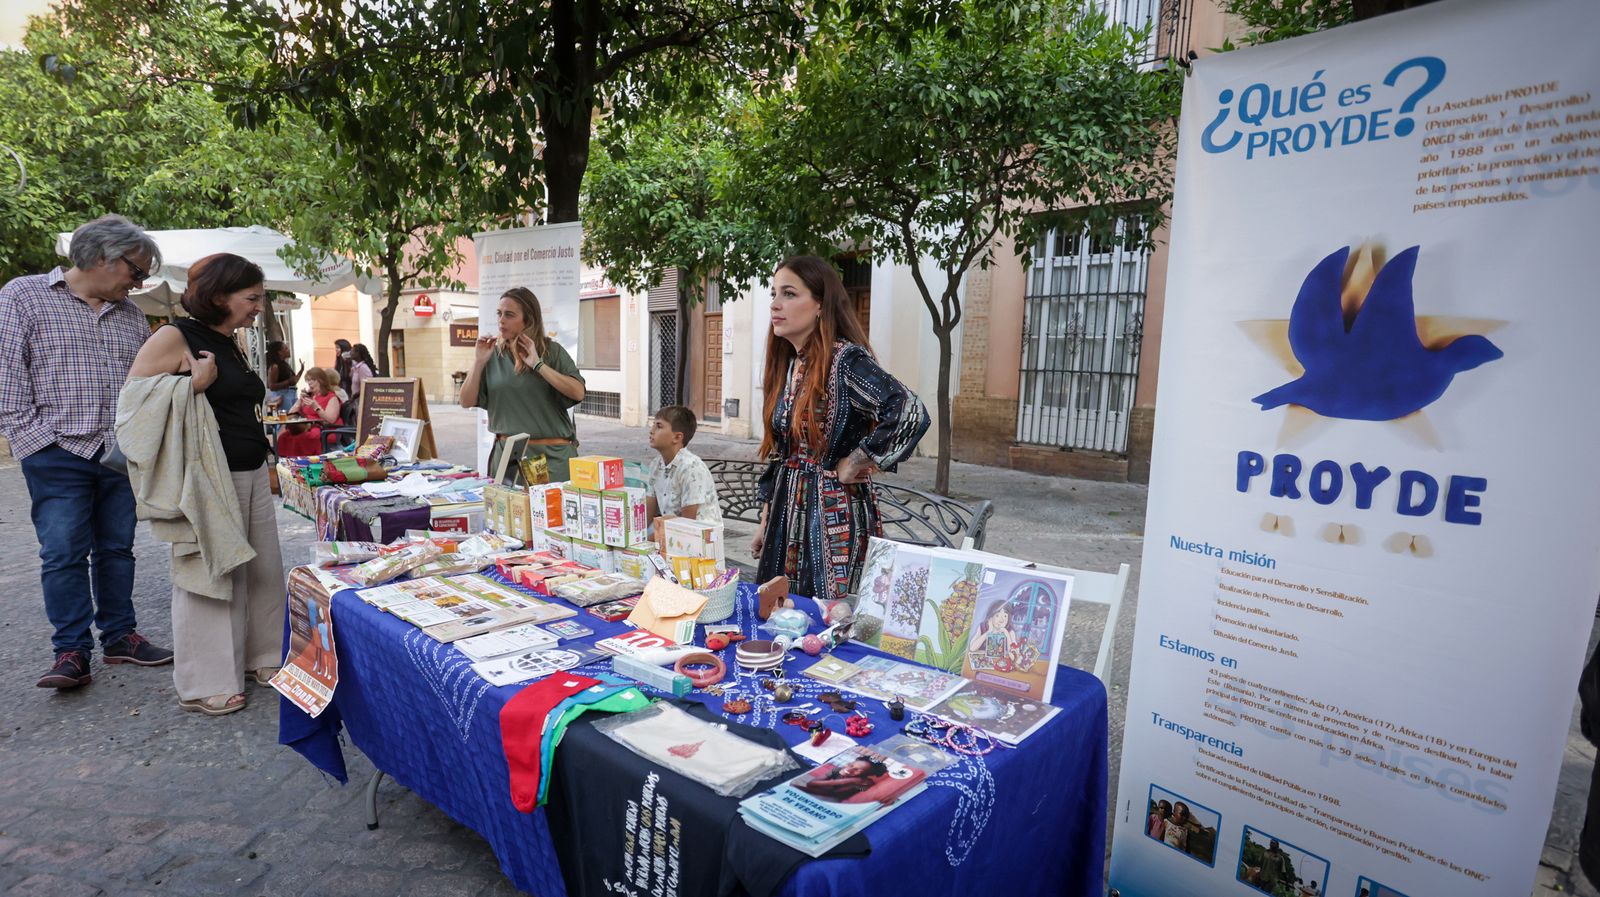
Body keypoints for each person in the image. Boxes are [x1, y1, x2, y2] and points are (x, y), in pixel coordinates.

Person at [0, 214, 174, 688]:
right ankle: (71, 651)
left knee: (117, 549)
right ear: (101, 257)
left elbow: (143, 385)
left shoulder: (131, 315)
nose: (140, 282)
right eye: (136, 271)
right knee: (63, 553)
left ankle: (119, 637)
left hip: (118, 453)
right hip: (56, 453)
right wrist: (36, 445)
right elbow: (7, 379)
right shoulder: (23, 296)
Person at [124, 252, 285, 716]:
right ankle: (206, 682)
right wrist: (191, 386)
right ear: (219, 296)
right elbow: (132, 406)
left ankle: (262, 656)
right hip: (209, 476)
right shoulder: (175, 335)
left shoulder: (229, 341)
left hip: (250, 471)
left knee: (262, 569)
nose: (258, 308)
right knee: (211, 573)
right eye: (252, 298)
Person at [750, 256, 929, 602]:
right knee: (780, 615)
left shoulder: (845, 360)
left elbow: (908, 410)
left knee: (828, 615)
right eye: (774, 293)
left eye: (789, 294)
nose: (775, 304)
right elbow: (783, 453)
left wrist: (858, 460)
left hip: (831, 517)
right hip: (786, 515)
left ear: (820, 304)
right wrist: (766, 520)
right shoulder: (792, 363)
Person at [459, 287, 586, 481]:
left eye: (509, 315)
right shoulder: (493, 355)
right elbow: (465, 401)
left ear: (529, 319)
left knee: (544, 503)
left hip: (548, 458)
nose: (501, 320)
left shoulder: (551, 351)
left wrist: (538, 365)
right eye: (499, 313)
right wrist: (478, 361)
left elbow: (578, 392)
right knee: (506, 502)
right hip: (508, 457)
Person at [644, 404, 722, 535]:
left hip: (699, 538)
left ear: (677, 437)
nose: (651, 431)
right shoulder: (656, 464)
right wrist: (636, 537)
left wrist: (646, 540)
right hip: (670, 532)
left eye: (659, 426)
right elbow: (648, 511)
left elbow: (687, 524)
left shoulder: (691, 468)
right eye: (653, 425)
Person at [276, 367, 342, 457]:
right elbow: (290, 414)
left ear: (320, 381)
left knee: (306, 437)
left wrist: (316, 408)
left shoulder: (331, 397)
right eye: (308, 380)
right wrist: (300, 401)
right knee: (284, 436)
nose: (309, 383)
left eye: (312, 380)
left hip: (322, 428)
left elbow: (331, 419)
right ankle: (288, 460)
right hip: (305, 427)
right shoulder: (311, 396)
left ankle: (303, 459)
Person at [797, 756, 890, 803]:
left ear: (867, 774)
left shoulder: (865, 783)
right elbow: (811, 783)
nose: (850, 769)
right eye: (851, 765)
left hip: (834, 798)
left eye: (857, 770)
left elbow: (835, 794)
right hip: (825, 790)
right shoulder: (837, 770)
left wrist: (849, 781)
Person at [264, 339, 302, 410]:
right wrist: (288, 382)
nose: (289, 350)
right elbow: (271, 386)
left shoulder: (284, 364)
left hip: (291, 394)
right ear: (280, 352)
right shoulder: (275, 366)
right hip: (282, 396)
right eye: (286, 348)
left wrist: (301, 370)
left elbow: (293, 381)